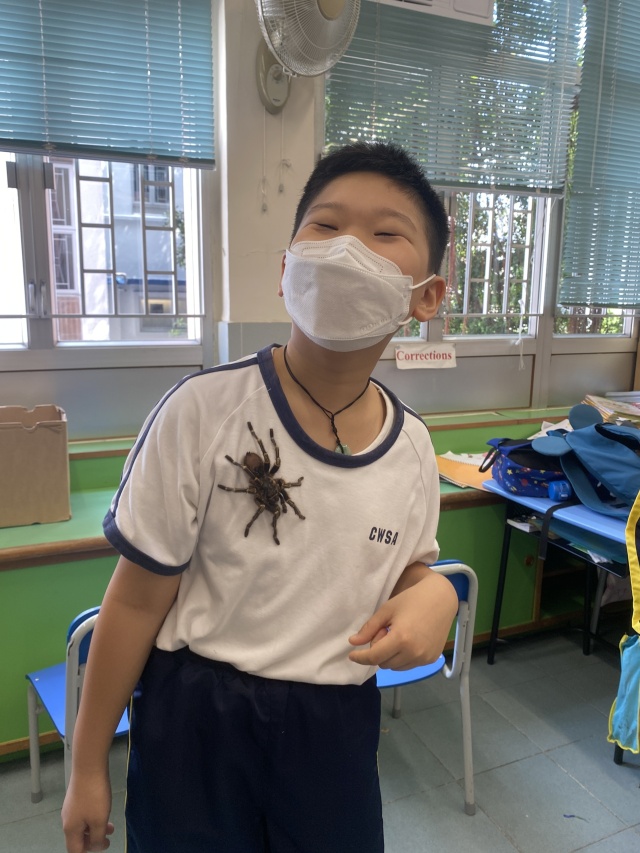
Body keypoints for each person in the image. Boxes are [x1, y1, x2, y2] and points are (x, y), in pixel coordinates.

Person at [61, 140, 459, 853]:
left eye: (384, 232)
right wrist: (87, 765)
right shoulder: (201, 411)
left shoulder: (414, 448)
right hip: (196, 719)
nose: (346, 250)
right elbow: (136, 601)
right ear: (286, 270)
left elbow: (399, 569)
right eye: (325, 225)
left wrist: (437, 593)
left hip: (333, 726)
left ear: (427, 295)